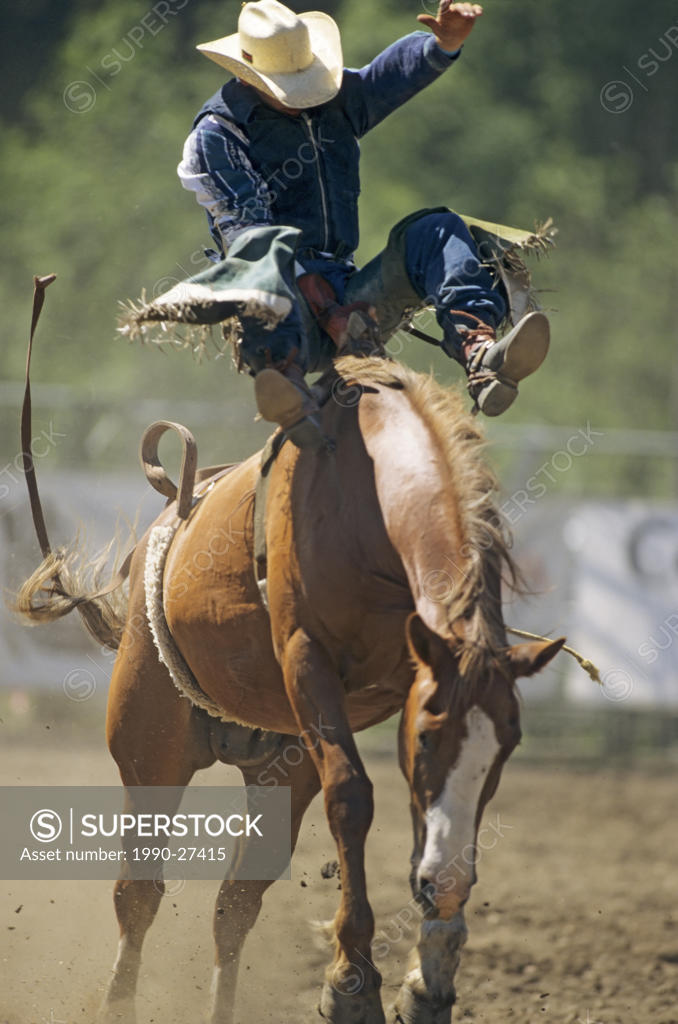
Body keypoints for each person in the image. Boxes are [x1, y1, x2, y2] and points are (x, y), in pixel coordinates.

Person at [178, 0, 550, 446]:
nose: (301, 95)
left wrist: (441, 45)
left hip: (351, 295)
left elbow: (384, 78)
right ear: (246, 75)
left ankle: (479, 352)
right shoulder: (217, 136)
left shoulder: (332, 98)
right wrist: (323, 305)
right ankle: (287, 385)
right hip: (282, 295)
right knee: (262, 276)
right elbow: (250, 236)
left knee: (436, 230)